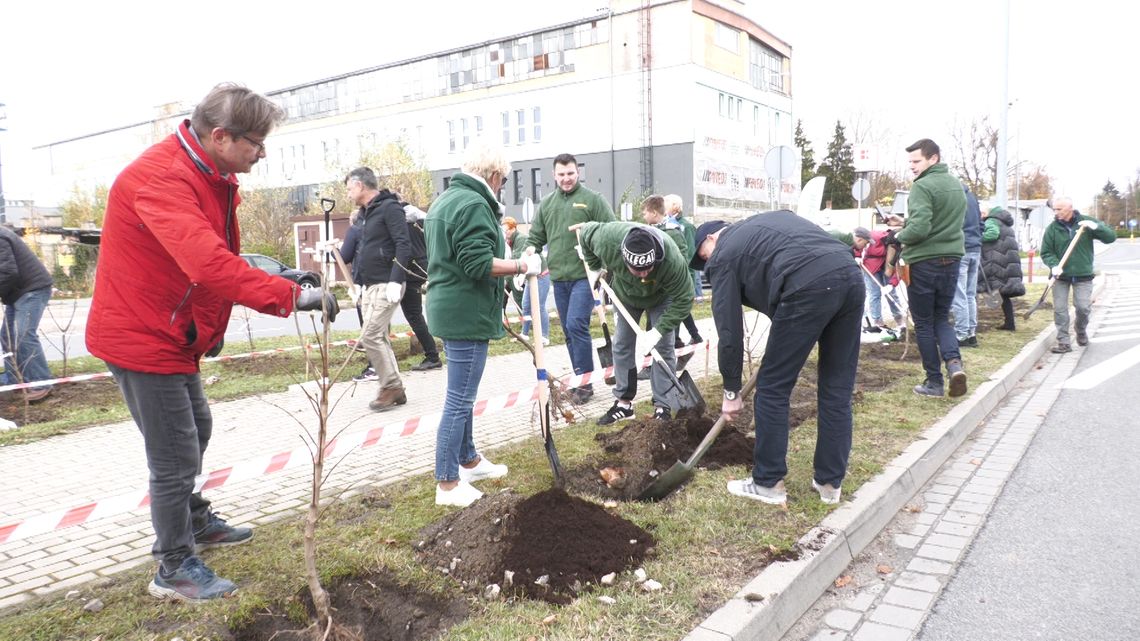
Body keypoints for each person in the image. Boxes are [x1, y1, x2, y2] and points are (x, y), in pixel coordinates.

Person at [86, 83, 338, 602]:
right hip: (141, 335)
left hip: (171, 333)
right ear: (221, 136)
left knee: (195, 428)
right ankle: (173, 564)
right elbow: (206, 263)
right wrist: (291, 299)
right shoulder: (161, 180)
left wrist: (281, 274)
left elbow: (216, 254)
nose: (262, 152)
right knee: (174, 454)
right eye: (256, 142)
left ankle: (193, 519)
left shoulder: (206, 173)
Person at [692, 211, 863, 505]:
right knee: (837, 388)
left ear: (711, 238)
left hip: (809, 284)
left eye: (703, 257)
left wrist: (731, 391)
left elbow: (729, 330)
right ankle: (829, 484)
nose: (707, 264)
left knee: (772, 387)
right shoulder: (764, 226)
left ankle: (768, 482)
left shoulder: (724, 254)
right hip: (849, 275)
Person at [425, 142, 540, 507]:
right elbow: (477, 263)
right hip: (465, 312)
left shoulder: (445, 200)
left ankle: (469, 460)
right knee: (459, 399)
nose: (501, 188)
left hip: (450, 307)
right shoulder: (474, 204)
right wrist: (523, 266)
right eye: (503, 182)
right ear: (494, 176)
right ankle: (447, 483)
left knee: (464, 395)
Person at [574, 221, 693, 423]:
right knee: (621, 344)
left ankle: (662, 406)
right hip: (626, 296)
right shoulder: (608, 239)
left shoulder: (672, 260)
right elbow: (585, 233)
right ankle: (624, 403)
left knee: (663, 347)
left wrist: (657, 331)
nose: (644, 274)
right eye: (637, 270)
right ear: (623, 258)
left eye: (648, 269)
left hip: (660, 298)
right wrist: (594, 267)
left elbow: (685, 299)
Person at [525, 153, 615, 404]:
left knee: (576, 324)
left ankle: (585, 386)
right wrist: (530, 250)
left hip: (584, 275)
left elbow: (612, 230)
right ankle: (577, 382)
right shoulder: (547, 204)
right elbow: (535, 237)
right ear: (554, 175)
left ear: (578, 173)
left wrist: (603, 263)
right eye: (561, 174)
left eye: (571, 174)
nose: (566, 179)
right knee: (567, 331)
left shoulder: (592, 200)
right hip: (559, 277)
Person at [896, 138, 968, 398]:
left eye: (916, 161)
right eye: (911, 162)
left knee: (924, 324)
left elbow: (920, 229)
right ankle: (954, 365)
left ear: (933, 158)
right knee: (942, 318)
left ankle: (934, 383)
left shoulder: (922, 187)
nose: (912, 167)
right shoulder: (956, 185)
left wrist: (898, 234)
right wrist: (906, 221)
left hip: (924, 262)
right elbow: (940, 220)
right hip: (952, 259)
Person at [346, 167, 412, 411]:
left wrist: (396, 279)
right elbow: (364, 250)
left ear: (361, 185)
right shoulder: (364, 214)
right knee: (379, 336)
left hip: (388, 283)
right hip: (371, 284)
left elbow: (403, 245)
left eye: (350, 188)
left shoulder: (389, 208)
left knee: (370, 336)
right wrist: (359, 284)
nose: (349, 193)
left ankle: (390, 386)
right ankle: (396, 389)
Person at [1040, 196, 1115, 353]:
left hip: (1083, 275)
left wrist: (1096, 227)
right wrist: (1054, 266)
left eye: (1059, 209)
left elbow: (1110, 238)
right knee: (1060, 309)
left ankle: (1080, 330)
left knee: (1083, 308)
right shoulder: (1052, 228)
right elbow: (1046, 252)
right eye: (1054, 209)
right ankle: (1064, 342)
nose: (1055, 212)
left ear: (1070, 208)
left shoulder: (1086, 223)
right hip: (1060, 276)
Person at [0, 226, 54, 401]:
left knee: (23, 335)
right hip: (17, 293)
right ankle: (15, 379)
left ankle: (41, 382)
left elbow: (8, 272)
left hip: (33, 289)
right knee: (7, 337)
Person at [833, 227, 904, 330]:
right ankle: (878, 323)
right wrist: (857, 255)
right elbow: (859, 242)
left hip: (888, 266)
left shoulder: (898, 249)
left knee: (892, 294)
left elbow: (899, 268)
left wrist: (892, 284)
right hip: (871, 266)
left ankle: (900, 321)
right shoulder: (875, 236)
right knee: (875, 294)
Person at [400, 201, 442, 370]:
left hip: (409, 270)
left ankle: (432, 356)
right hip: (421, 267)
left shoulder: (400, 221)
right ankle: (432, 354)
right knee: (415, 315)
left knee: (414, 315)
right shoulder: (421, 218)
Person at [337, 208, 376, 381]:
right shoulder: (375, 229)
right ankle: (381, 366)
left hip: (361, 282)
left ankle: (374, 366)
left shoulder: (354, 230)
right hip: (379, 282)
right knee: (379, 328)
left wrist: (332, 251)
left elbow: (344, 257)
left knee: (367, 327)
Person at [502, 217, 551, 344]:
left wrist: (509, 273)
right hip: (530, 277)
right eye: (504, 230)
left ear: (513, 228)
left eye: (507, 230)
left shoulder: (520, 239)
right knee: (526, 305)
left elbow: (518, 260)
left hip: (541, 275)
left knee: (539, 306)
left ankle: (544, 336)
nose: (505, 232)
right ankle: (525, 334)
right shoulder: (510, 242)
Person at [979, 206, 1026, 331]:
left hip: (997, 261)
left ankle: (1009, 323)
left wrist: (977, 239)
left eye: (983, 212)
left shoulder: (991, 221)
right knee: (1003, 294)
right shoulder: (1004, 223)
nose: (981, 216)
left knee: (995, 291)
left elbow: (992, 234)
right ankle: (1009, 323)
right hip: (1006, 261)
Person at [950, 186, 983, 347]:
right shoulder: (972, 197)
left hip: (961, 249)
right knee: (970, 294)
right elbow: (981, 224)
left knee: (959, 294)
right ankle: (971, 333)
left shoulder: (955, 198)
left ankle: (961, 334)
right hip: (975, 249)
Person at [666, 194, 704, 301]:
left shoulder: (686, 226)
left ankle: (698, 298)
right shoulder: (666, 225)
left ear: (674, 207)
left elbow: (690, 253)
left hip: (686, 269)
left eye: (665, 205)